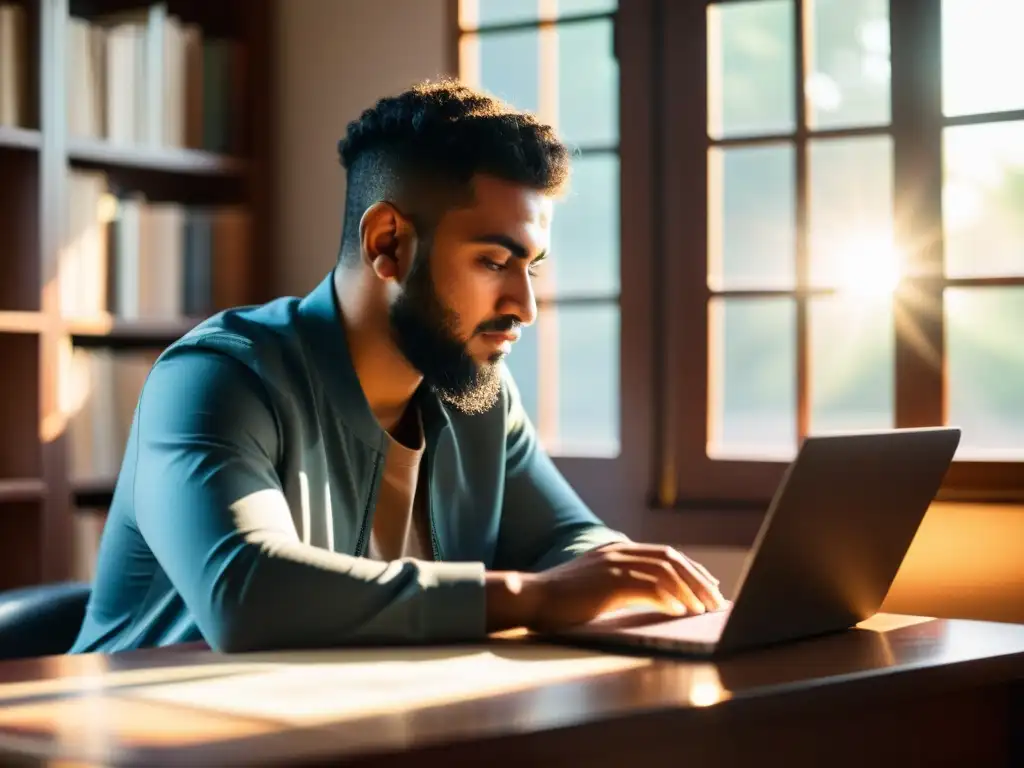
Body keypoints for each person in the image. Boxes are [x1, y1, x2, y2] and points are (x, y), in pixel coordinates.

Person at [71, 80, 725, 654]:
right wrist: (533, 596)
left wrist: (619, 574)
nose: (524, 307)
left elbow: (569, 538)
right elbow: (246, 591)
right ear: (388, 243)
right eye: (495, 262)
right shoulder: (217, 378)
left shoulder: (478, 396)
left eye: (532, 268)